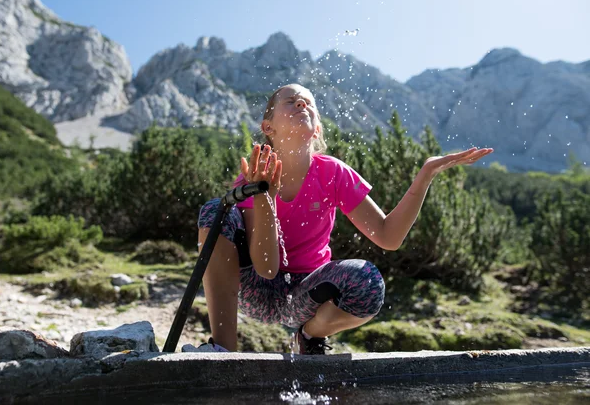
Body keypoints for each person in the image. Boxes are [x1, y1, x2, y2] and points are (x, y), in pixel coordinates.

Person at [186, 83, 493, 355]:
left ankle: (310, 335)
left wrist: (425, 174)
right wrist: (266, 197)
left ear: (317, 129)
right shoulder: (254, 174)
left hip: (306, 293)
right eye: (291, 101)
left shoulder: (332, 173)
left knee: (368, 281)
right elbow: (266, 269)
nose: (302, 104)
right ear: (269, 127)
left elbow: (388, 236)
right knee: (215, 210)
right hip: (257, 288)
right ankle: (223, 349)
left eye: (308, 102)